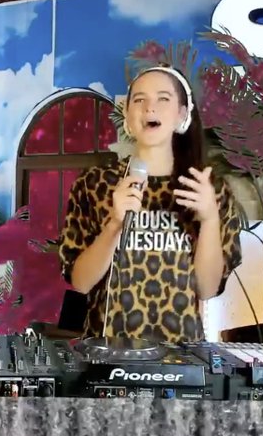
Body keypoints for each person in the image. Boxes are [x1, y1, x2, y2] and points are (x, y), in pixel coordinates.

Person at [58, 65, 243, 343]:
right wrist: (114, 225)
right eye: (139, 99)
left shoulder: (207, 189)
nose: (149, 108)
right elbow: (81, 283)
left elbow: (206, 289)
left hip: (181, 356)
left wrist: (209, 220)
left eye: (163, 98)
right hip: (108, 352)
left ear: (182, 114)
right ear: (128, 115)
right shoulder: (94, 184)